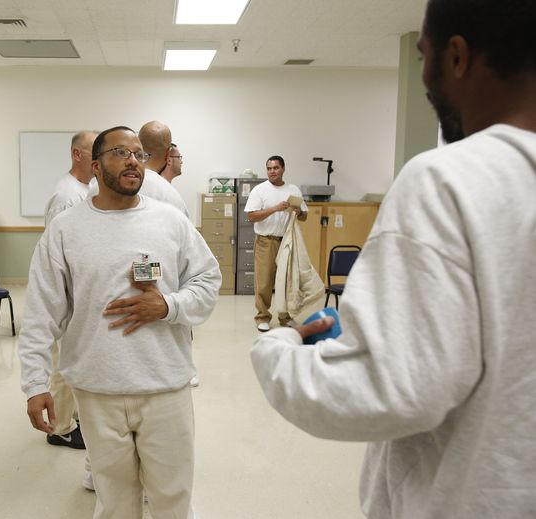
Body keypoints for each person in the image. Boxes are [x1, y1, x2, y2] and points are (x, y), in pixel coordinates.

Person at [250, 0, 536, 517]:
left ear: (456, 57)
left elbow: (390, 391)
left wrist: (279, 351)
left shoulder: (447, 180)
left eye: (422, 55)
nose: (423, 76)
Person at [19, 126, 221, 518]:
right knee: (114, 501)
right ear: (95, 166)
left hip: (164, 385)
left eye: (139, 154)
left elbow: (208, 280)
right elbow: (41, 310)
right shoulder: (66, 229)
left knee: (172, 498)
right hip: (97, 389)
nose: (133, 160)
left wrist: (168, 306)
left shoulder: (170, 221)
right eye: (120, 152)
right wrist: (34, 382)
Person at [43, 130, 98, 450]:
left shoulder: (86, 189)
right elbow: (57, 251)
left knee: (74, 361)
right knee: (63, 366)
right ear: (77, 154)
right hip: (67, 295)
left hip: (81, 294)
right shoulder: (67, 195)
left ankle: (72, 417)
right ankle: (60, 427)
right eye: (94, 151)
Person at [244, 156, 307, 331]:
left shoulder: (293, 190)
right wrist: (275, 208)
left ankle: (285, 317)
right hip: (266, 241)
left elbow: (305, 216)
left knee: (286, 280)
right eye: (269, 168)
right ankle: (262, 316)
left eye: (276, 168)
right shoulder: (260, 190)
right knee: (264, 282)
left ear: (283, 169)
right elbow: (251, 216)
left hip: (287, 240)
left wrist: (299, 211)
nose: (272, 171)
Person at [90, 121, 190, 217]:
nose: (132, 162)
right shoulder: (170, 196)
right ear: (168, 154)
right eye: (121, 153)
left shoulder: (96, 188)